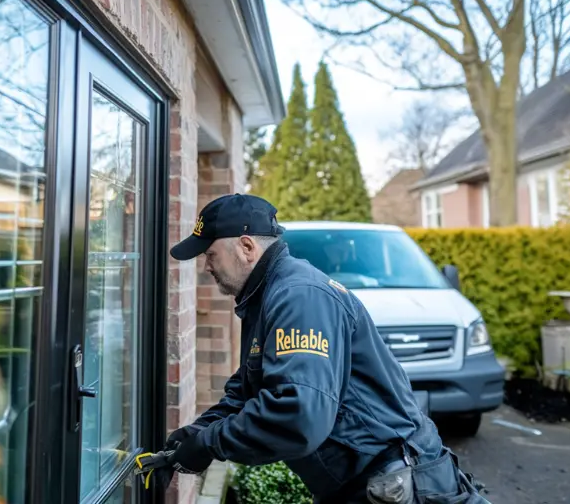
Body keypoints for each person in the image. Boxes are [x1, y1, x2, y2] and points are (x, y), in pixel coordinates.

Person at [157, 193, 489, 504]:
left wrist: (210, 444)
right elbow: (248, 391)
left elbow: (298, 417)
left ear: (246, 247)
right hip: (371, 482)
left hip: (395, 484)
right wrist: (195, 433)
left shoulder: (299, 297)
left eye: (210, 254)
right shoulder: (268, 296)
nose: (207, 266)